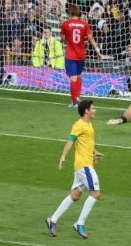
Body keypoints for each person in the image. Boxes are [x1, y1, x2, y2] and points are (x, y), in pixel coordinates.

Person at [46, 99, 103, 239]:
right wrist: (63, 155)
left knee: (76, 195)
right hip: (84, 165)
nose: (95, 110)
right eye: (93, 108)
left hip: (84, 163)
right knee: (95, 193)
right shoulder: (78, 125)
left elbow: (86, 143)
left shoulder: (89, 124)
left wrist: (94, 152)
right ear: (86, 111)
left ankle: (52, 220)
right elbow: (71, 140)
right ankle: (80, 223)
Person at [61, 4, 102, 108]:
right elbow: (91, 38)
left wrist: (67, 40)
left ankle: (75, 102)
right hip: (81, 55)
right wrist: (98, 51)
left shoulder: (65, 24)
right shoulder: (84, 24)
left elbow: (62, 39)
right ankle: (77, 98)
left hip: (70, 55)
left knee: (73, 78)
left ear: (69, 13)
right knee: (78, 76)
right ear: (78, 13)